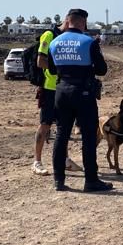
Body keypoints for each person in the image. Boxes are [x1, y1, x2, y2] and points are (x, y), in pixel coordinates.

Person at [47, 8, 112, 192]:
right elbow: (102, 70)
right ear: (83, 23)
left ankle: (58, 180)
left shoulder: (55, 42)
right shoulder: (89, 42)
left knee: (61, 135)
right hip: (83, 93)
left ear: (67, 21)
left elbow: (51, 70)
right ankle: (91, 180)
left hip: (61, 92)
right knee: (89, 137)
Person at [32, 19, 81, 175]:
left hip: (64, 87)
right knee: (45, 124)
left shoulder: (68, 38)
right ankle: (37, 161)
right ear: (68, 22)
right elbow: (40, 61)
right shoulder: (49, 35)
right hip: (50, 88)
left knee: (64, 125)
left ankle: (65, 159)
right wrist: (59, 70)